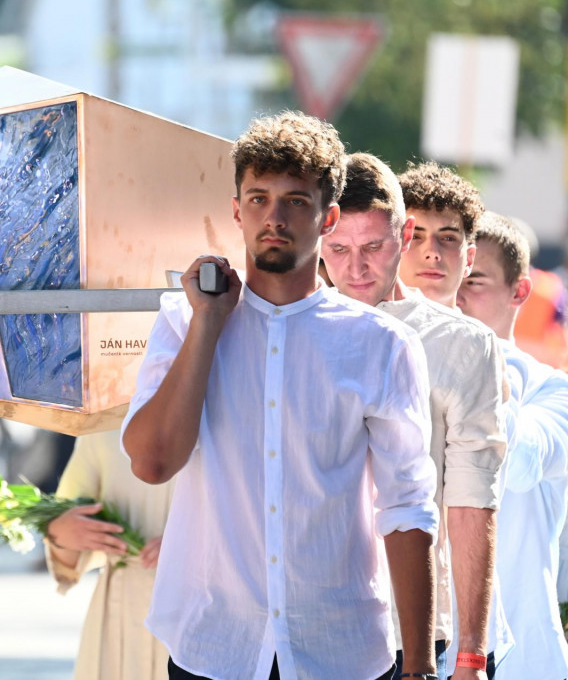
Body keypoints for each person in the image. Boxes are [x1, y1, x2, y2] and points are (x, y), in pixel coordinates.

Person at [122, 111, 440, 680]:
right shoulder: (182, 322)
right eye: (260, 198)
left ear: (328, 217)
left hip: (340, 649)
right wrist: (208, 325)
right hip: (213, 647)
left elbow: (407, 507)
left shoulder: (380, 344)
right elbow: (152, 461)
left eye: (295, 200)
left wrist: (417, 668)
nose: (275, 217)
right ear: (237, 210)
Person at [321, 153, 507, 680]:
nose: (356, 269)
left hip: (420, 631)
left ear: (401, 238)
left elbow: (473, 500)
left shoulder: (463, 345)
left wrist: (471, 655)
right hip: (314, 625)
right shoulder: (291, 332)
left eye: (374, 248)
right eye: (338, 249)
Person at [397, 161, 509, 677]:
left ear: (469, 256)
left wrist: (473, 648)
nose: (430, 251)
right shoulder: (345, 325)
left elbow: (475, 502)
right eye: (416, 234)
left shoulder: (482, 353)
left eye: (447, 237)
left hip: (447, 622)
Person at [457, 213, 568, 679]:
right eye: (450, 278)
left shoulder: (553, 391)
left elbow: (518, 464)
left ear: (519, 292)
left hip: (525, 663)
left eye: (474, 281)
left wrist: (477, 361)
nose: (456, 295)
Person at [45, 429, 175, 680]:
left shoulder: (230, 414)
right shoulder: (103, 426)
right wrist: (62, 532)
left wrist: (193, 543)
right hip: (120, 611)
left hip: (202, 605)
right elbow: (65, 552)